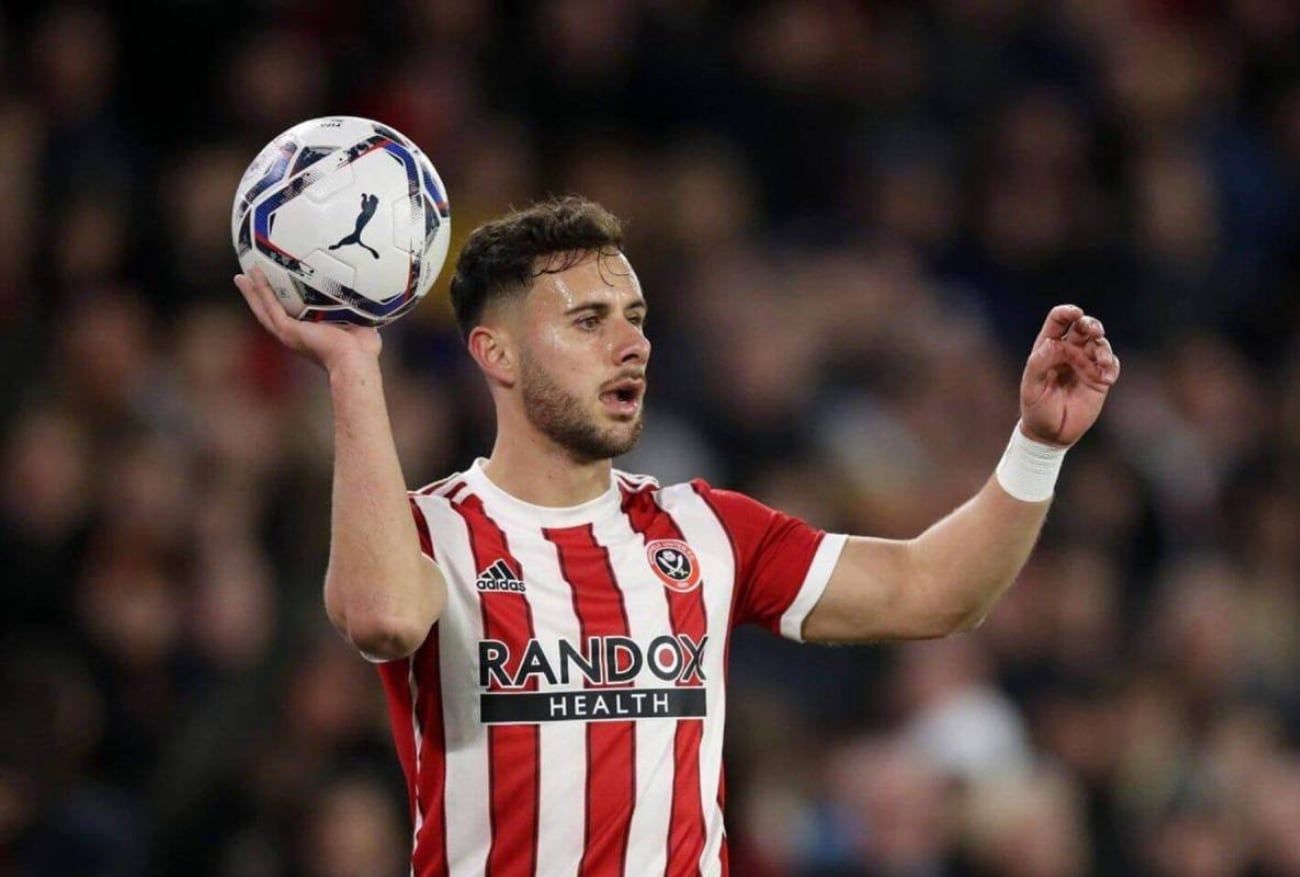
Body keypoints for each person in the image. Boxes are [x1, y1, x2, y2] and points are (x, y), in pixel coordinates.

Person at [232, 195, 1120, 877]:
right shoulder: (428, 527)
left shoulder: (704, 528)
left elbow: (937, 591)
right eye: (589, 321)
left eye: (638, 318)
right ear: (496, 355)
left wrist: (1037, 445)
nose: (632, 345)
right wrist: (351, 364)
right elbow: (381, 617)